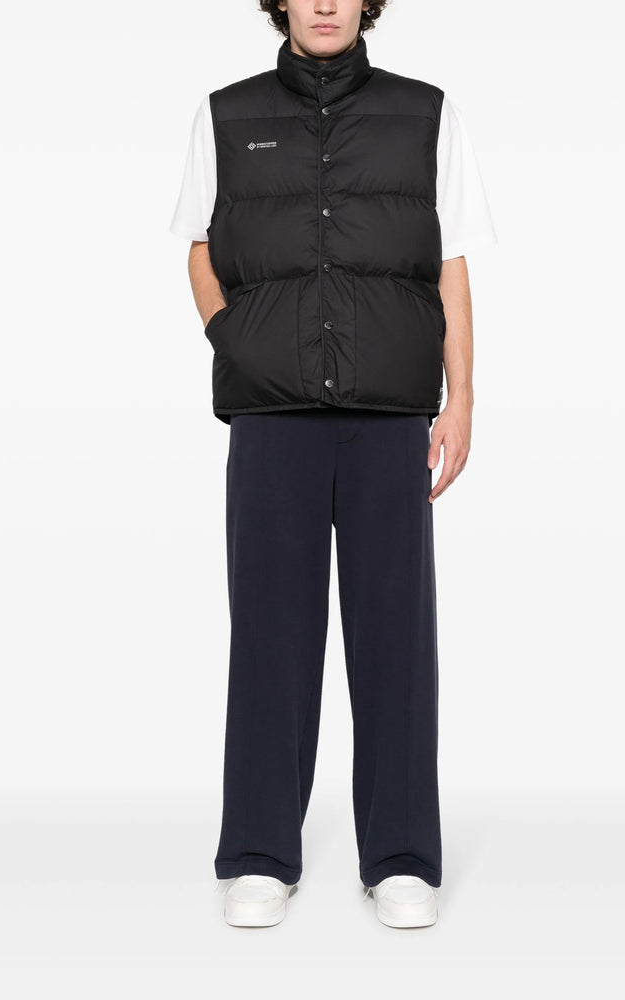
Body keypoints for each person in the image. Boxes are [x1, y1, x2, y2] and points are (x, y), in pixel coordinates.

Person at [170, 0, 496, 928]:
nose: (323, 4)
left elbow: (451, 262)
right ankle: (259, 854)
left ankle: (401, 857)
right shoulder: (226, 114)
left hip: (390, 414)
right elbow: (198, 247)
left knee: (395, 638)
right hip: (273, 415)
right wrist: (237, 338)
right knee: (269, 636)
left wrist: (462, 397)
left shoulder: (425, 113)